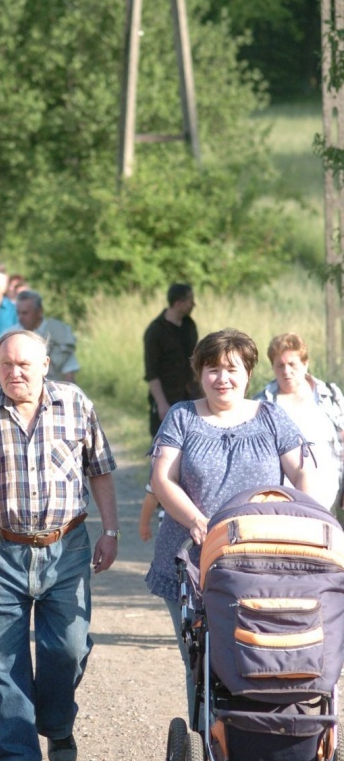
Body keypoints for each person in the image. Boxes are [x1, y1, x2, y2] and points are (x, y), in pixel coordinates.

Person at [0, 329, 119, 761]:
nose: (15, 373)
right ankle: (17, 758)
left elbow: (100, 470)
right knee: (3, 656)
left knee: (68, 647)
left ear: (45, 365)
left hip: (66, 546)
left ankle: (56, 722)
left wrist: (110, 530)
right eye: (6, 365)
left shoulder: (75, 404)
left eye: (25, 364)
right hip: (3, 547)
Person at [147, 328, 314, 721]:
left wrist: (298, 514)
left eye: (231, 369)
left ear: (248, 373)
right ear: (199, 374)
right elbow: (161, 479)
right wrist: (196, 520)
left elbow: (303, 474)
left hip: (258, 556)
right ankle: (205, 744)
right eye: (212, 369)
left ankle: (256, 738)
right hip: (192, 557)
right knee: (201, 657)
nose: (222, 378)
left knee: (259, 648)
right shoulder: (182, 416)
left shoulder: (272, 416)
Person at [255, 332, 344, 510]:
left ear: (305, 364)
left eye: (292, 364)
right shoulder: (262, 404)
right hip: (283, 497)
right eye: (280, 365)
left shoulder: (330, 395)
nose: (286, 371)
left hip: (329, 491)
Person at [144, 283, 199, 437]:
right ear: (178, 303)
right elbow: (151, 372)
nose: (193, 304)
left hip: (191, 396)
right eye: (190, 300)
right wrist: (162, 404)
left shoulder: (189, 325)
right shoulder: (155, 331)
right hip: (167, 397)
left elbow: (196, 360)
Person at [15, 290, 80, 382]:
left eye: (25, 313)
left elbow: (68, 373)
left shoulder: (58, 332)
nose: (20, 318)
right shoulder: (12, 334)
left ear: (39, 311)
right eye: (18, 313)